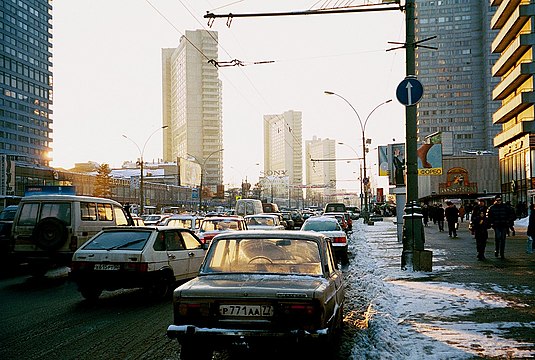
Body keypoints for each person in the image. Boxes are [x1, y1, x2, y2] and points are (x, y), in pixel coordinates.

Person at [487, 195, 515, 259]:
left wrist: (508, 221)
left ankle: (502, 252)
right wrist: (491, 223)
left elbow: (512, 214)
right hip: (496, 225)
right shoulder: (492, 208)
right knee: (497, 238)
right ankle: (497, 250)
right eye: (497, 200)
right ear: (495, 201)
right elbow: (489, 216)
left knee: (502, 239)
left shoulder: (506, 207)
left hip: (504, 225)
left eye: (499, 200)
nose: (498, 201)